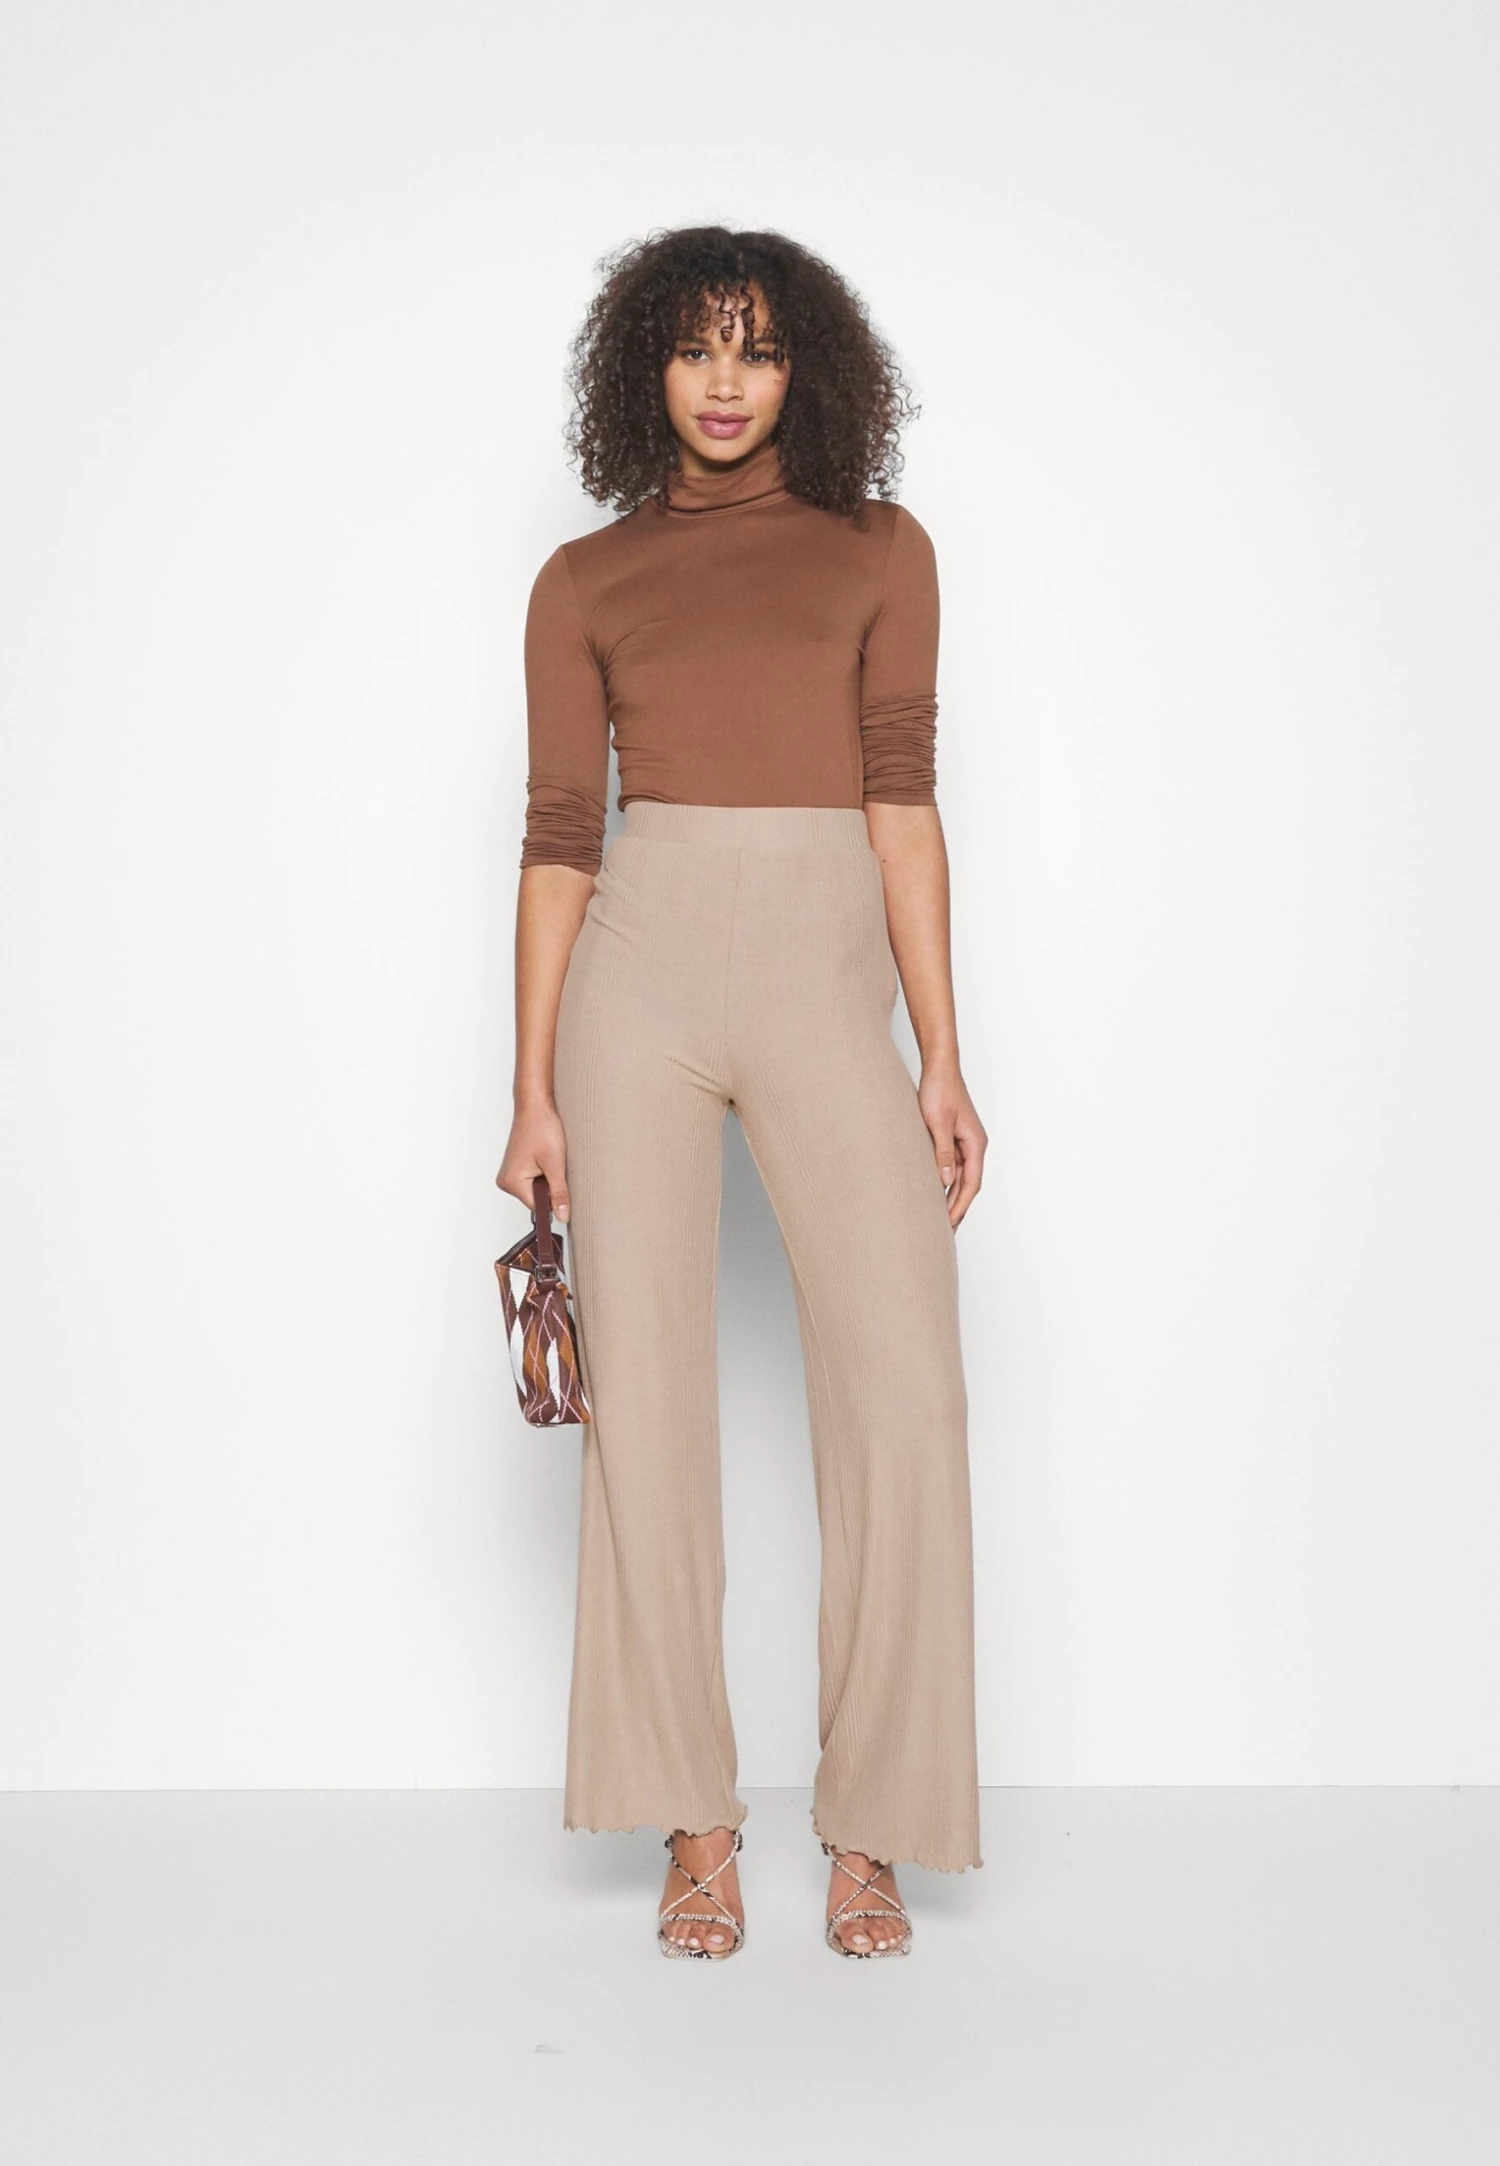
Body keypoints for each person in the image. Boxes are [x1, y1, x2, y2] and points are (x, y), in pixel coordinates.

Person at [497, 225, 987, 1960]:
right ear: (647, 365)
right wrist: (530, 1087)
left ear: (805, 370)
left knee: (906, 1395)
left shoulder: (881, 550)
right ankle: (693, 1820)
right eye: (696, 346)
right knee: (645, 1403)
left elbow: (902, 805)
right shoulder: (584, 579)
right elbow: (561, 840)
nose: (724, 380)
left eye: (757, 347)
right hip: (636, 982)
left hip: (819, 979)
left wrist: (941, 1053)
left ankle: (877, 1823)